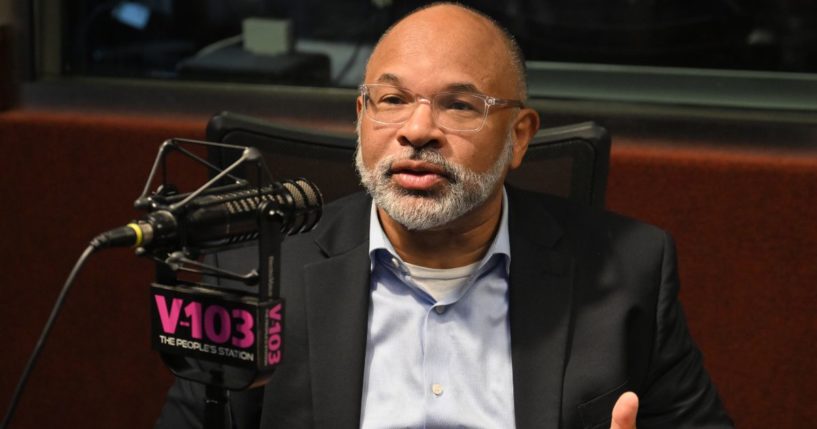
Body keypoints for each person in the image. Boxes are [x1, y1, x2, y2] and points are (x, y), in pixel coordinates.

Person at [157, 3, 733, 428]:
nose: (417, 129)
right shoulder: (250, 276)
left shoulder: (629, 272)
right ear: (361, 116)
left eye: (459, 105)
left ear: (518, 137)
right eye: (392, 99)